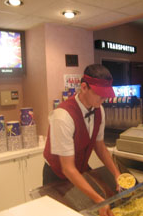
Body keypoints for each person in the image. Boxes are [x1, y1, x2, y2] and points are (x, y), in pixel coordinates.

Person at [43, 64, 121, 216]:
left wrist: (116, 174)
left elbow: (99, 146)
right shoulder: (62, 116)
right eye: (100, 94)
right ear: (84, 87)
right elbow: (67, 168)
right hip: (57, 176)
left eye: (106, 94)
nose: (104, 99)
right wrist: (98, 200)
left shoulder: (99, 109)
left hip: (81, 169)